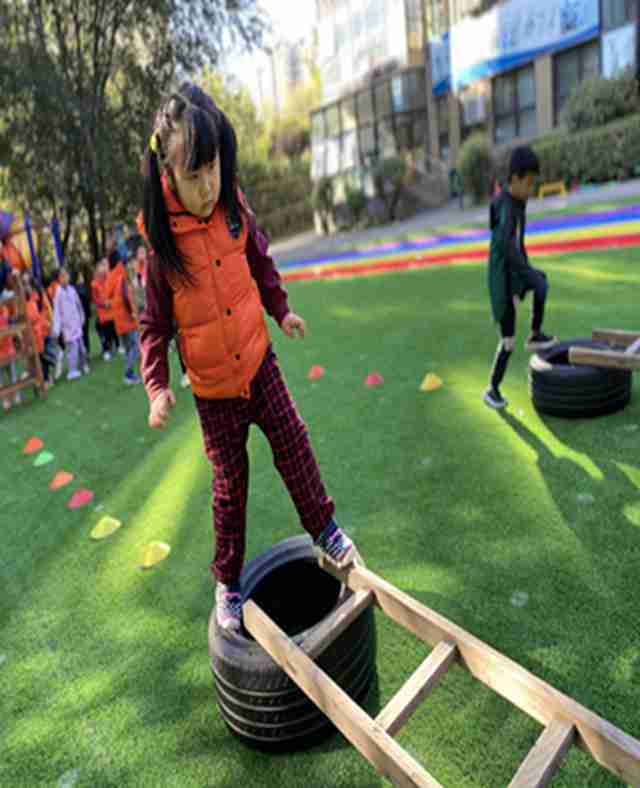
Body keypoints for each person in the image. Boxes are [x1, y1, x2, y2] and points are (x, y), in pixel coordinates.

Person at [138, 83, 357, 633]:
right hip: (213, 393)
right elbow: (154, 325)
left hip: (260, 364)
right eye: (194, 175)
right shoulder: (162, 246)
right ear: (168, 173)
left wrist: (281, 311)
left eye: (213, 168)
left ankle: (325, 529)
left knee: (294, 441)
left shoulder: (233, 208)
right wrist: (157, 386)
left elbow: (260, 264)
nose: (207, 185)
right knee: (229, 489)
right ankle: (229, 583)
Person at [484, 146, 558, 410]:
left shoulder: (518, 202)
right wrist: (524, 276)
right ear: (514, 179)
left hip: (515, 272)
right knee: (508, 341)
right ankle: (492, 389)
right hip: (502, 281)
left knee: (542, 283)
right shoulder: (505, 205)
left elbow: (519, 243)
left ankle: (535, 334)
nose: (531, 189)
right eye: (528, 183)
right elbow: (506, 245)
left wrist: (527, 272)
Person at [106, 249, 140, 385]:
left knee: (128, 348)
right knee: (135, 346)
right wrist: (132, 312)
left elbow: (109, 296)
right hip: (126, 317)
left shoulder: (112, 277)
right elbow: (126, 296)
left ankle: (130, 374)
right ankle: (128, 373)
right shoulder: (122, 275)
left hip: (118, 318)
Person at [52, 267, 88, 380]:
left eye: (66, 276)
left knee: (82, 348)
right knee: (73, 349)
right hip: (67, 326)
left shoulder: (72, 290)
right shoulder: (58, 293)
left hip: (76, 323)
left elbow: (78, 305)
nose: (65, 278)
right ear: (59, 279)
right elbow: (57, 312)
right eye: (62, 277)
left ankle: (84, 364)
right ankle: (72, 371)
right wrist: (57, 329)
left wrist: (82, 316)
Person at [0, 302, 18, 410]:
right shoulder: (5, 311)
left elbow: (12, 324)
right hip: (5, 352)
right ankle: (7, 400)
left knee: (12, 375)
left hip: (8, 350)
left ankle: (14, 397)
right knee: (4, 377)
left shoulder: (5, 311)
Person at [74, 270, 93, 358]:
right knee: (82, 335)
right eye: (80, 277)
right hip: (79, 316)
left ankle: (87, 352)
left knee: (85, 334)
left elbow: (87, 302)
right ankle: (83, 353)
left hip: (85, 314)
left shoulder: (84, 288)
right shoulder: (75, 290)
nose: (82, 278)